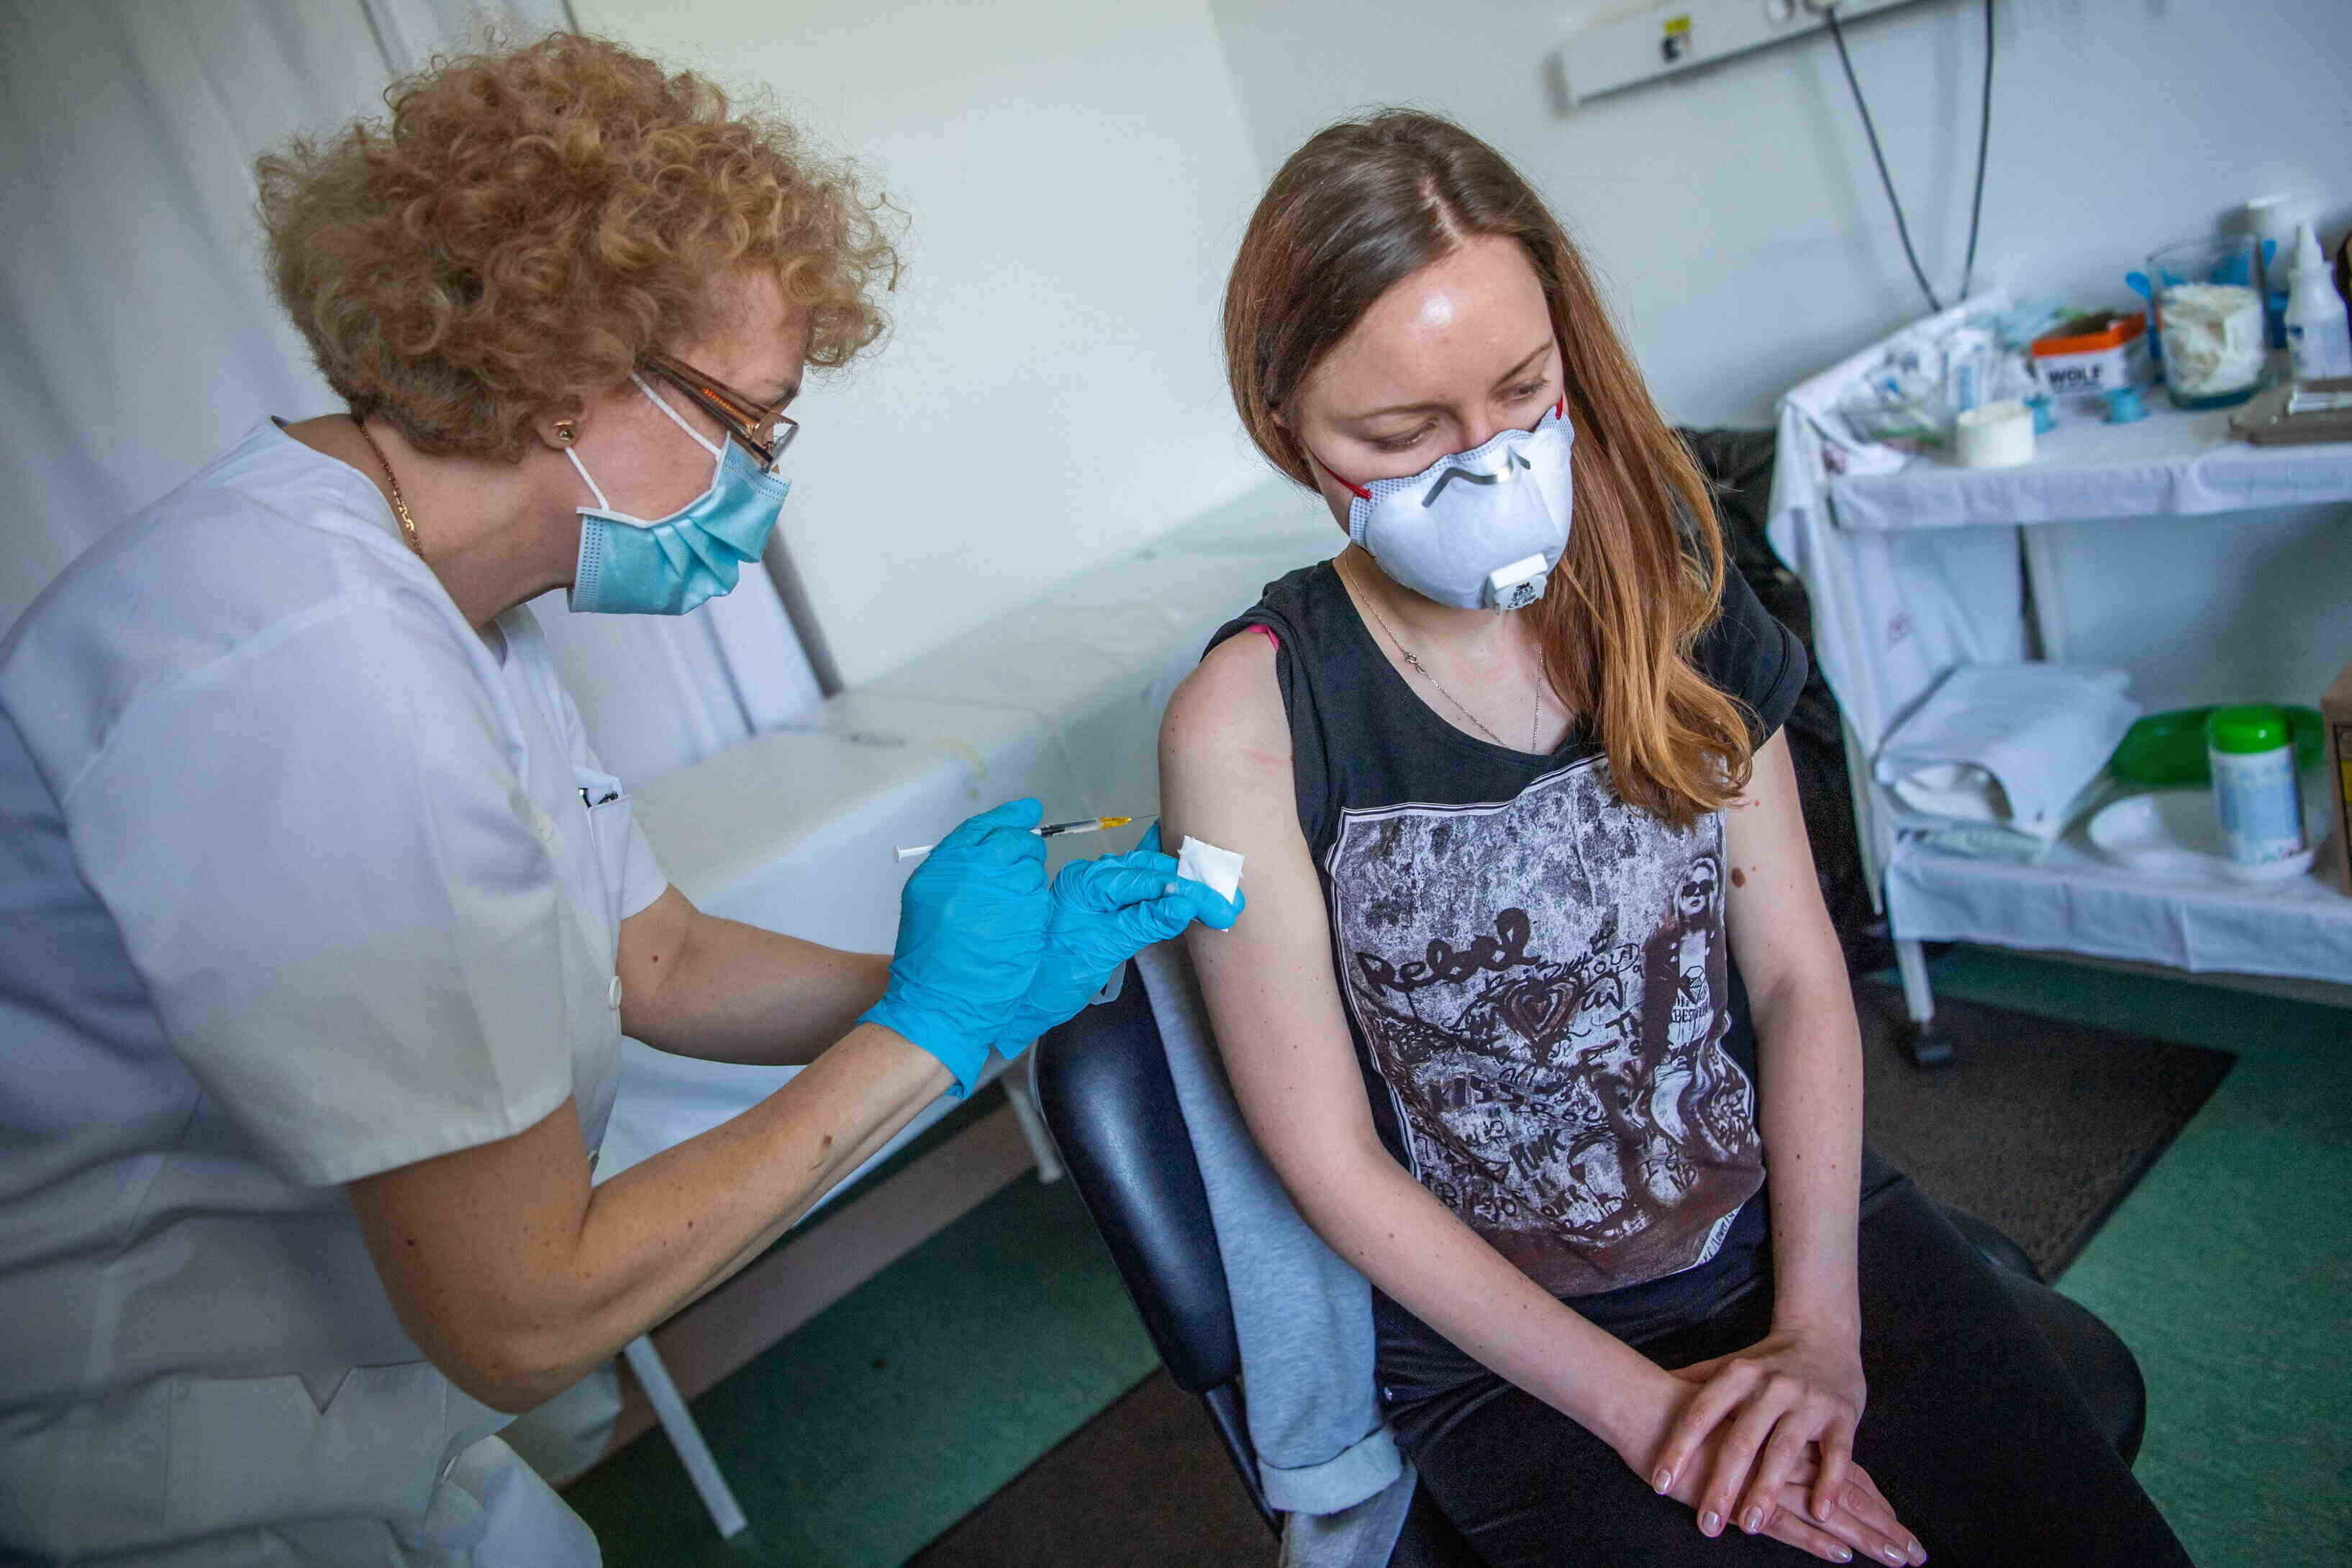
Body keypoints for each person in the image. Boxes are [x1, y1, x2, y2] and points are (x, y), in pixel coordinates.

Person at [0, 34, 1238, 1566]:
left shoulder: (442, 600)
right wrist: (936, 1033)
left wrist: (962, 975)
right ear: (573, 375)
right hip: (133, 1466)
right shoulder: (313, 675)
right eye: (751, 419)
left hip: (330, 1418)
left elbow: (656, 959)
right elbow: (524, 1314)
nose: (762, 477)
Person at [1158, 111, 2192, 1567]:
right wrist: (1654, 1419)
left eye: (1523, 393)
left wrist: (1817, 1330)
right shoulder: (1249, 720)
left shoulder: (1672, 587)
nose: (1490, 468)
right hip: (1511, 1355)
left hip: (1788, 1234)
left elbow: (1797, 979)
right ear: (1289, 433)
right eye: (1402, 436)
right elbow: (1328, 1161)